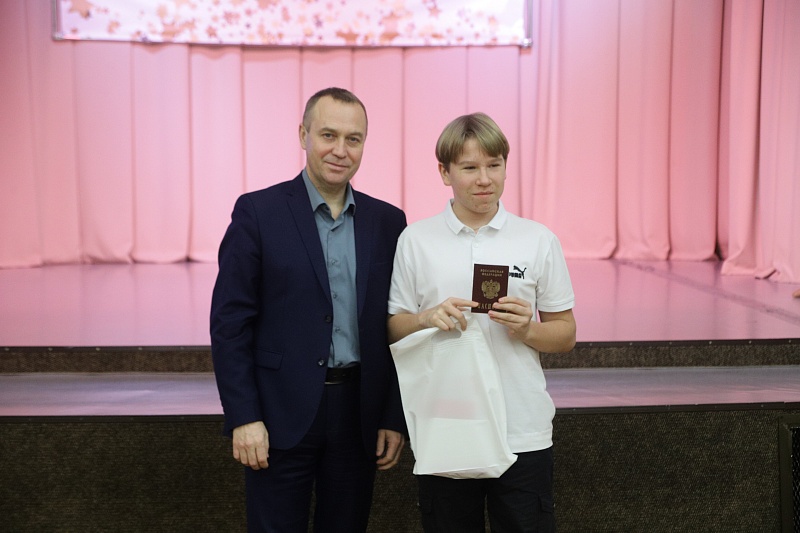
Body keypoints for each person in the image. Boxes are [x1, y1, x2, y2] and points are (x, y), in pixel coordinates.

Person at [210, 87, 407, 533]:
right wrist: (244, 416)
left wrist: (392, 416)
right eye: (328, 135)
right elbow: (229, 325)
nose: (340, 150)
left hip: (358, 415)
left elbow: (395, 326)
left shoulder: (389, 222)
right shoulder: (258, 213)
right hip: (278, 414)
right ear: (303, 135)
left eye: (353, 139)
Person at [387, 112, 576, 533]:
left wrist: (528, 330)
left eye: (494, 165)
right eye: (470, 168)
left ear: (506, 166)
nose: (485, 179)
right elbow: (393, 327)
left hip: (522, 430)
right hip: (447, 426)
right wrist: (426, 318)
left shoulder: (537, 239)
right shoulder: (416, 241)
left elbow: (565, 334)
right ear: (445, 172)